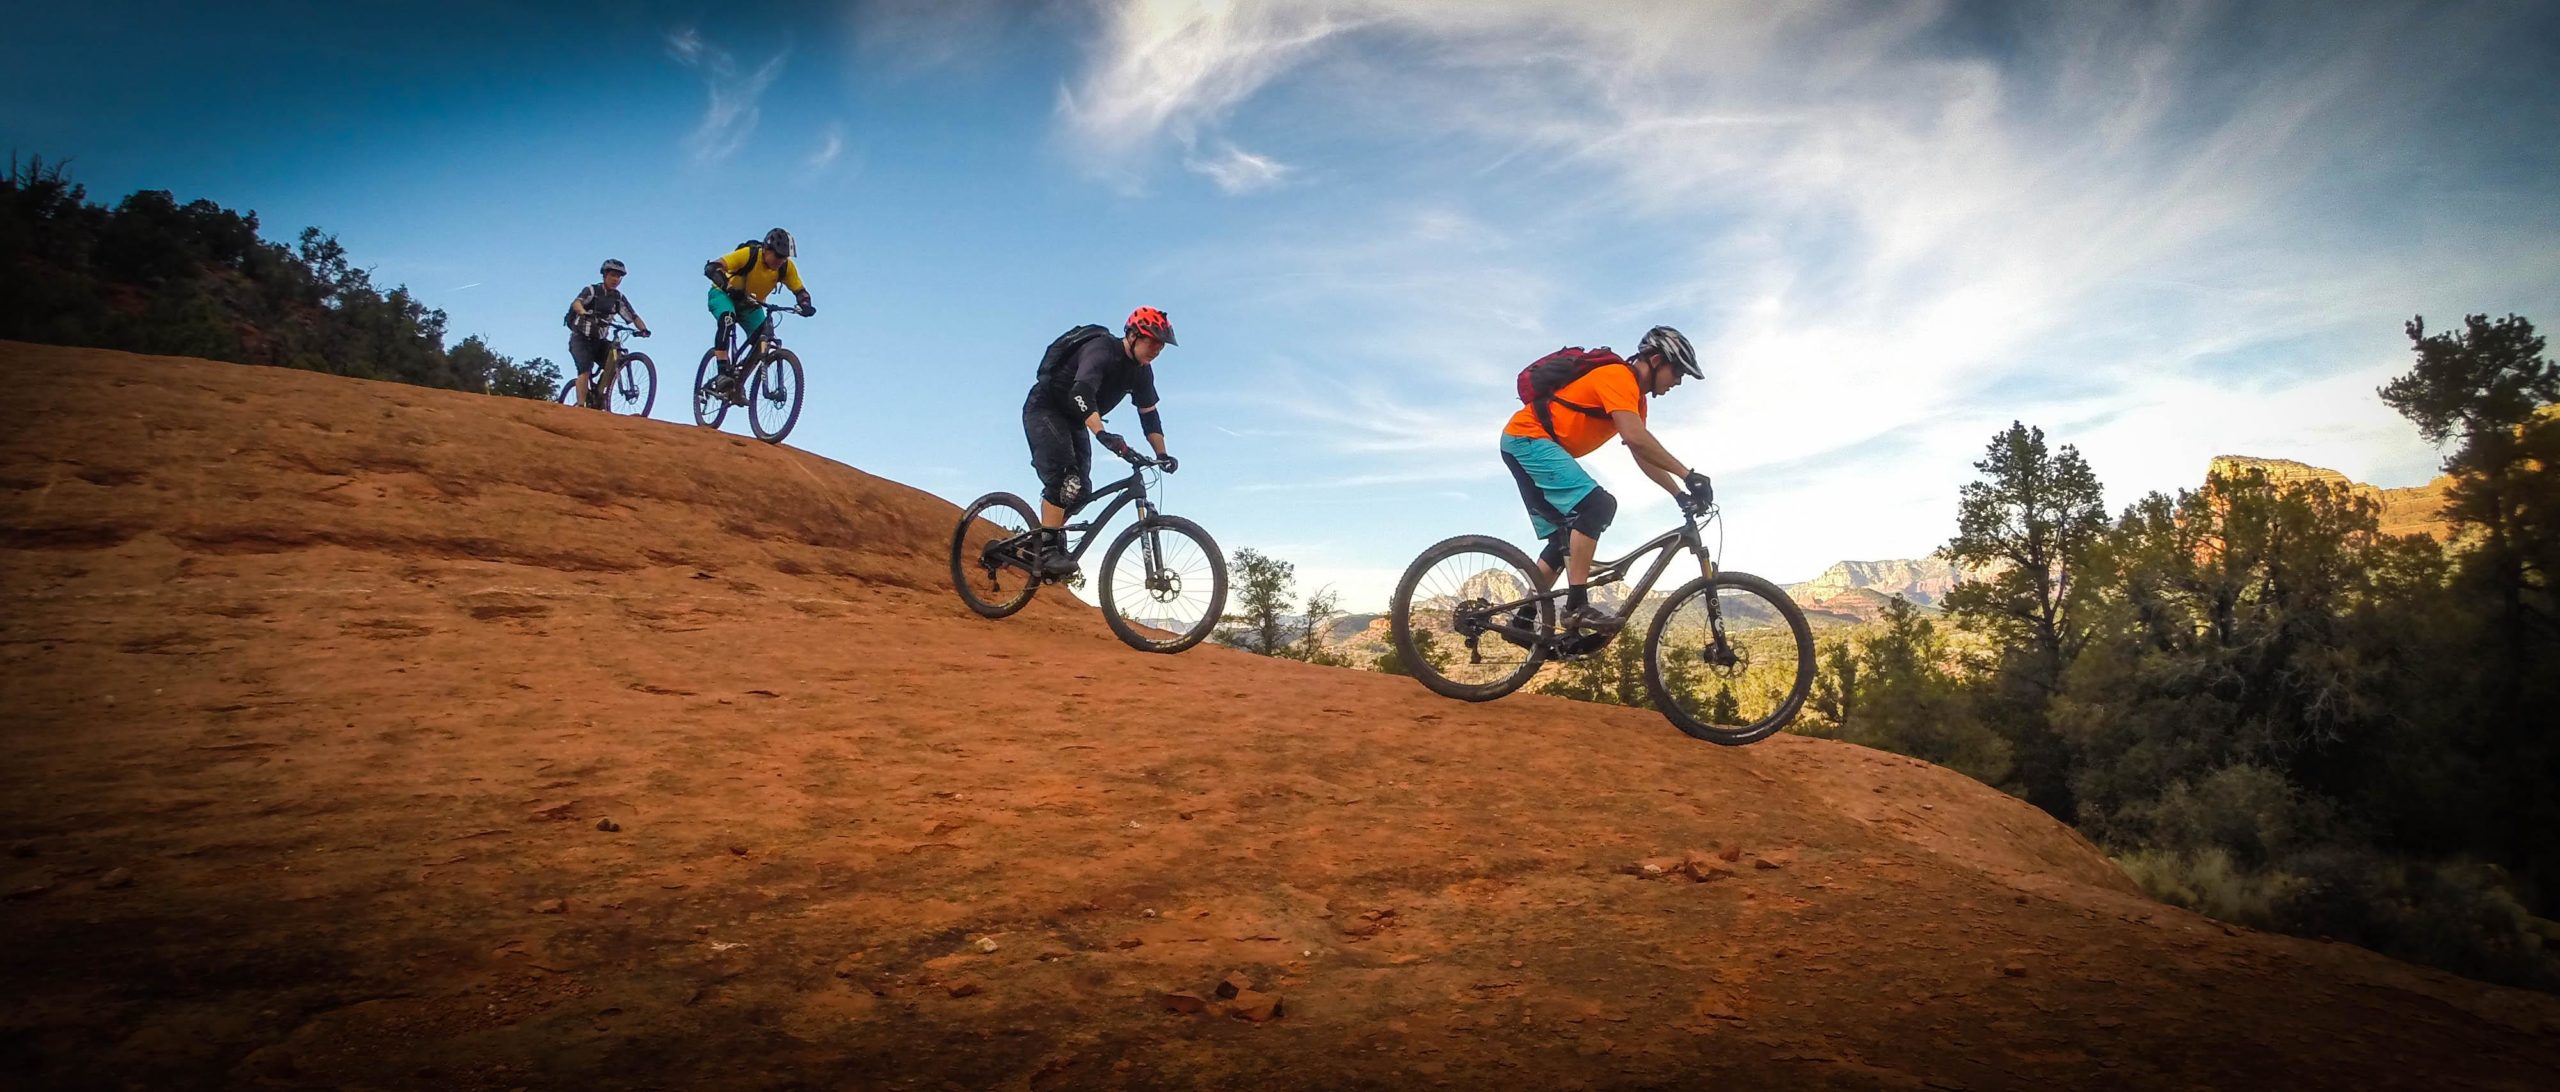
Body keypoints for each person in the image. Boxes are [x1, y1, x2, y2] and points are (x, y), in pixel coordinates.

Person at [1500, 325, 1714, 637]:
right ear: (1656, 361)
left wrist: (1679, 494)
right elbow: (1636, 438)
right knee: (1598, 505)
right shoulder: (1618, 377)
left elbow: (1640, 452)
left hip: (1526, 443)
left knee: (1563, 542)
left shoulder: (1637, 400)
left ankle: (1522, 621)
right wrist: (1688, 474)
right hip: (1527, 439)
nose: (1679, 381)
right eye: (1678, 371)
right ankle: (1576, 605)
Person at [1021, 307, 1180, 578]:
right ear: (1132, 335)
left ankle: (1039, 540)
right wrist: (1102, 433)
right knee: (1065, 479)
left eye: (1161, 345)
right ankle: (1047, 548)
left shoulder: (1142, 373)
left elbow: (1149, 415)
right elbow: (1081, 391)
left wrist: (1162, 454)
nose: (1157, 349)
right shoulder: (1102, 349)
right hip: (1046, 407)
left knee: (1081, 491)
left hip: (1076, 419)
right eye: (1152, 341)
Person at [701, 228, 814, 396]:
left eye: (784, 258)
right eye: (778, 256)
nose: (780, 261)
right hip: (723, 295)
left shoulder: (786, 267)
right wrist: (728, 287)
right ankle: (722, 374)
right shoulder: (749, 254)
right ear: (766, 250)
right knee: (727, 319)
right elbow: (712, 268)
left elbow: (800, 291)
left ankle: (738, 381)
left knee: (763, 341)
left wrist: (805, 304)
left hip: (751, 305)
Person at [566, 259, 648, 407]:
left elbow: (633, 316)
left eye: (619, 277)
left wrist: (643, 329)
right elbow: (577, 303)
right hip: (581, 338)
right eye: (612, 275)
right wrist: (583, 312)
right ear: (605, 275)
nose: (615, 279)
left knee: (616, 362)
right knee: (585, 368)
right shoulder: (592, 291)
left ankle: (599, 393)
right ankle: (580, 406)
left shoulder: (618, 298)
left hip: (599, 340)